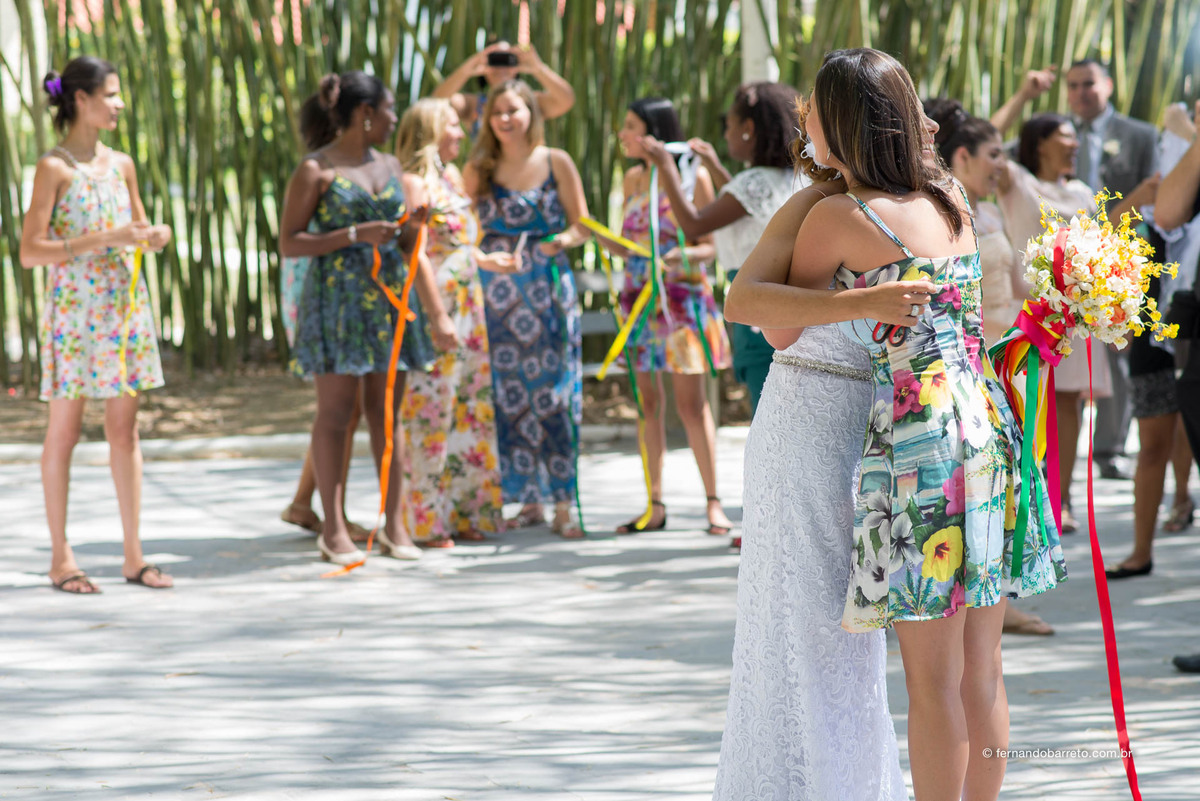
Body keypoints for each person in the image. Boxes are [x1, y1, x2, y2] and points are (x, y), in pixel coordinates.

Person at [733, 49, 1067, 801]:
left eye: (811, 111)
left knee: (932, 683)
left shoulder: (839, 219)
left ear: (838, 123)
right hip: (986, 426)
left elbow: (778, 329)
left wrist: (847, 292)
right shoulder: (950, 194)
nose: (800, 122)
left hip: (922, 443)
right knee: (983, 671)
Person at [714, 96, 939, 800]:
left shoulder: (899, 204)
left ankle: (843, 777)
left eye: (812, 113)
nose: (801, 124)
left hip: (869, 422)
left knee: (847, 623)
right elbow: (751, 311)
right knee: (799, 615)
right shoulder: (815, 205)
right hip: (806, 417)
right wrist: (856, 306)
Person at [280, 71, 456, 565]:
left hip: (389, 305)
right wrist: (353, 234)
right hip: (335, 304)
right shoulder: (315, 169)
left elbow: (402, 243)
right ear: (365, 114)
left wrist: (411, 230)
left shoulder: (393, 167)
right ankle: (332, 528)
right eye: (389, 109)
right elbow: (290, 242)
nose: (395, 118)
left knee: (387, 415)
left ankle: (394, 524)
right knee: (335, 414)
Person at [19, 56, 174, 592]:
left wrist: (154, 235)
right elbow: (29, 252)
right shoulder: (54, 167)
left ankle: (134, 555)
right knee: (63, 433)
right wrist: (100, 241)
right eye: (110, 94)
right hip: (75, 317)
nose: (119, 104)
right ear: (81, 99)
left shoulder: (123, 164)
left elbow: (135, 225)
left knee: (124, 432)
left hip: (125, 310)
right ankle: (61, 557)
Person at [923, 98, 1057, 636]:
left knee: (1013, 483)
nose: (1002, 163)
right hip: (974, 358)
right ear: (961, 155)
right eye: (993, 154)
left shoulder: (991, 207)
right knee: (980, 489)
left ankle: (999, 598)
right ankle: (975, 600)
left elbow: (1016, 285)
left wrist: (1061, 310)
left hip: (1010, 349)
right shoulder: (945, 214)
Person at [995, 61, 1162, 480]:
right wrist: (1023, 95)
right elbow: (983, 140)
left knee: (1067, 404)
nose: (1075, 143)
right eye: (1065, 136)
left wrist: (1139, 200)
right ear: (1041, 142)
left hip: (1071, 317)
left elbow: (1102, 237)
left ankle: (1061, 499)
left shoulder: (1083, 193)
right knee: (1020, 397)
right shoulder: (1016, 182)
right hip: (1025, 311)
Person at [594, 96, 733, 537]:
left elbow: (713, 246)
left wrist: (682, 256)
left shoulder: (694, 177)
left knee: (692, 405)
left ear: (655, 132)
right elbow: (626, 241)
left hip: (682, 304)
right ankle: (653, 505)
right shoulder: (633, 180)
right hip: (640, 304)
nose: (624, 135)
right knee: (646, 403)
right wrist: (593, 236)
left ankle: (714, 503)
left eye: (632, 126)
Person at [463, 80, 591, 538]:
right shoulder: (479, 168)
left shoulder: (557, 161)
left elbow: (583, 224)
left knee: (554, 395)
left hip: (547, 292)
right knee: (506, 397)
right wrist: (484, 259)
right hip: (496, 297)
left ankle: (563, 503)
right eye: (497, 111)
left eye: (513, 110)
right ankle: (527, 500)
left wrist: (560, 241)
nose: (504, 119)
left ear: (531, 112)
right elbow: (462, 233)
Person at [639, 82, 802, 420]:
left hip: (758, 309)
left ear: (748, 129)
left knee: (767, 416)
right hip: (788, 307)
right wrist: (714, 167)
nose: (725, 135)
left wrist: (666, 167)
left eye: (728, 125)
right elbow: (746, 209)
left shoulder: (753, 182)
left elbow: (695, 224)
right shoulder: (791, 179)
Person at [394, 98, 505, 545]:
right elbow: (415, 250)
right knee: (430, 410)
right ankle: (423, 520)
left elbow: (461, 243)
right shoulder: (414, 183)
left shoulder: (452, 179)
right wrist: (437, 316)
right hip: (436, 307)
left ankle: (466, 513)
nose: (461, 133)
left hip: (469, 307)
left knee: (468, 407)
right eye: (453, 125)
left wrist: (488, 261)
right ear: (431, 132)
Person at [432, 40, 575, 139]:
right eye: (495, 60)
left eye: (507, 59)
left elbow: (566, 100)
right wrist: (467, 69)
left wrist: (538, 68)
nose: (501, 68)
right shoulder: (474, 106)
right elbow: (435, 103)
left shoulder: (531, 102)